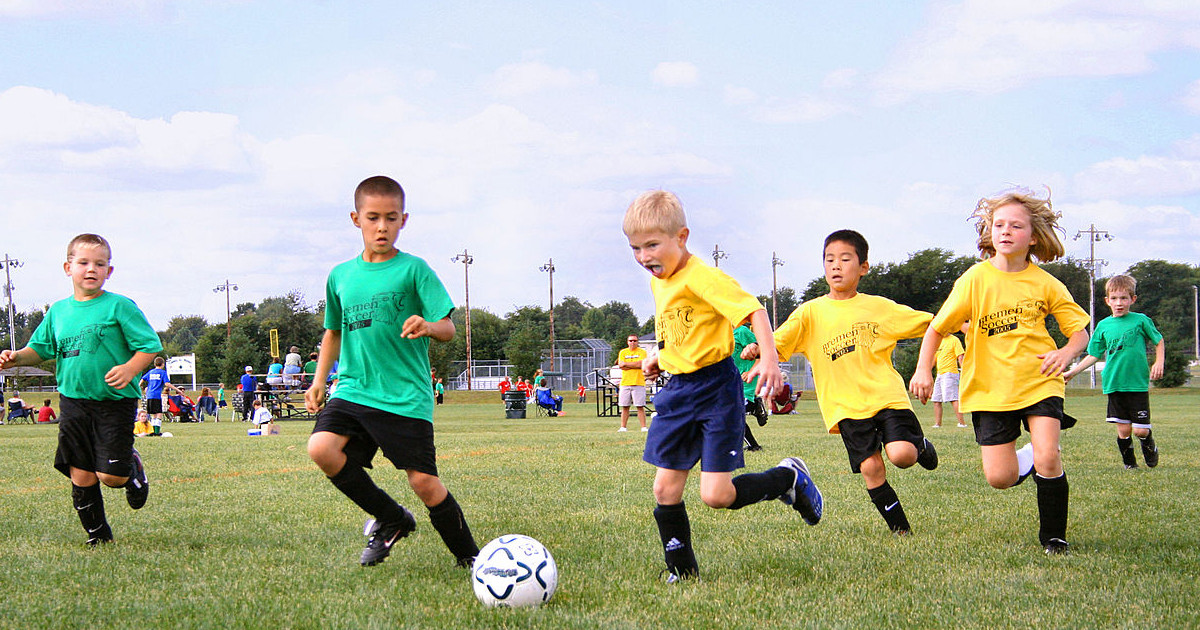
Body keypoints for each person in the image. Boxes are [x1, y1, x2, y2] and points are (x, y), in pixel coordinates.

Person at [623, 190, 822, 583]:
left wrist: (769, 358)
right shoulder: (658, 281)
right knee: (665, 489)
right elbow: (681, 331)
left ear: (681, 237)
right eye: (635, 248)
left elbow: (754, 311)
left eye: (652, 245)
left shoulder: (703, 276)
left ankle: (788, 479)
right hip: (678, 392)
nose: (644, 256)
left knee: (716, 496)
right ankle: (683, 572)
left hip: (715, 390)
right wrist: (657, 358)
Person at [304, 175, 479, 569]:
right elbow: (333, 332)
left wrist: (428, 326)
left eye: (391, 217)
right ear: (356, 219)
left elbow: (449, 329)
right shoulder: (340, 275)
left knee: (423, 482)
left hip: (404, 394)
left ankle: (469, 557)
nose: (381, 226)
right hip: (353, 388)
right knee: (321, 448)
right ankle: (391, 518)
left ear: (404, 220)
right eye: (373, 217)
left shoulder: (414, 270)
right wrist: (319, 381)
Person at [911, 188, 1090, 556]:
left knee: (1050, 456)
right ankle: (1028, 458)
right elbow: (936, 328)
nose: (1006, 231)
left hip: (1040, 381)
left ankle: (1054, 537)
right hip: (990, 389)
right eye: (999, 224)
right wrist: (922, 371)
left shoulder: (1046, 283)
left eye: (1016, 226)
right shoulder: (974, 280)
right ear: (989, 232)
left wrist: (1066, 352)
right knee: (1000, 478)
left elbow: (1080, 332)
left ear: (1033, 236)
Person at [749, 229, 938, 536]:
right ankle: (901, 530)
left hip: (886, 396)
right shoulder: (810, 313)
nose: (835, 266)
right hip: (845, 405)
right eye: (829, 259)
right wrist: (757, 348)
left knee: (901, 455)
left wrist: (963, 324)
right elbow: (777, 342)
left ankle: (920, 445)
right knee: (870, 468)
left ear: (863, 267)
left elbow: (933, 324)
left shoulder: (879, 307)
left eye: (845, 259)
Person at [0, 233, 160, 546]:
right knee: (82, 473)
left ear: (109, 271)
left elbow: (149, 347)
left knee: (111, 478)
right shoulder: (59, 311)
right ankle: (98, 536)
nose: (91, 269)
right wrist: (15, 357)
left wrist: (130, 368)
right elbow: (41, 348)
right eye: (83, 262)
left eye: (100, 264)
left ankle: (132, 465)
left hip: (115, 401)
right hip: (73, 401)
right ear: (67, 267)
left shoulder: (119, 306)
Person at [1062, 274, 1164, 469]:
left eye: (1124, 298)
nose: (1119, 303)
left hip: (1136, 383)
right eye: (1114, 299)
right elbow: (1093, 355)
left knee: (1140, 431)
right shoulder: (1103, 326)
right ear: (1107, 301)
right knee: (1124, 429)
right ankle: (1130, 464)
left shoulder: (1140, 320)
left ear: (1132, 299)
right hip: (1114, 383)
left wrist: (1159, 362)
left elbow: (1158, 340)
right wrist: (1072, 372)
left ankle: (1149, 445)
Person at [732, 323, 766, 452]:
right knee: (733, 414)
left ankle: (754, 446)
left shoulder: (741, 331)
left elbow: (761, 351)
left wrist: (752, 370)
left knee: (733, 414)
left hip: (746, 381)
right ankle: (754, 406)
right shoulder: (723, 337)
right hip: (733, 382)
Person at [931, 333, 967, 428]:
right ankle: (938, 424)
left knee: (953, 398)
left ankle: (962, 423)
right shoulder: (938, 341)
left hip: (950, 373)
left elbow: (960, 356)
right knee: (936, 400)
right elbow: (934, 359)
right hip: (940, 374)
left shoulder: (954, 340)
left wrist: (963, 371)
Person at [616, 334, 649, 432]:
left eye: (634, 341)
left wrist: (627, 364)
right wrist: (633, 365)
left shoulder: (642, 352)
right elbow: (621, 366)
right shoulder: (623, 352)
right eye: (630, 341)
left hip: (638, 382)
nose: (632, 342)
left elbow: (641, 364)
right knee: (625, 406)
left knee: (640, 406)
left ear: (637, 342)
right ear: (627, 342)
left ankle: (643, 427)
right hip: (625, 382)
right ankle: (623, 427)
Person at [140, 356, 178, 428]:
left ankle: (153, 430)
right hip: (156, 395)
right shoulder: (163, 373)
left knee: (154, 414)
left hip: (149, 395)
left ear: (155, 364)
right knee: (159, 413)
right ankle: (156, 431)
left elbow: (143, 379)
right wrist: (177, 389)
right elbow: (167, 383)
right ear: (163, 364)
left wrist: (138, 386)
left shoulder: (151, 372)